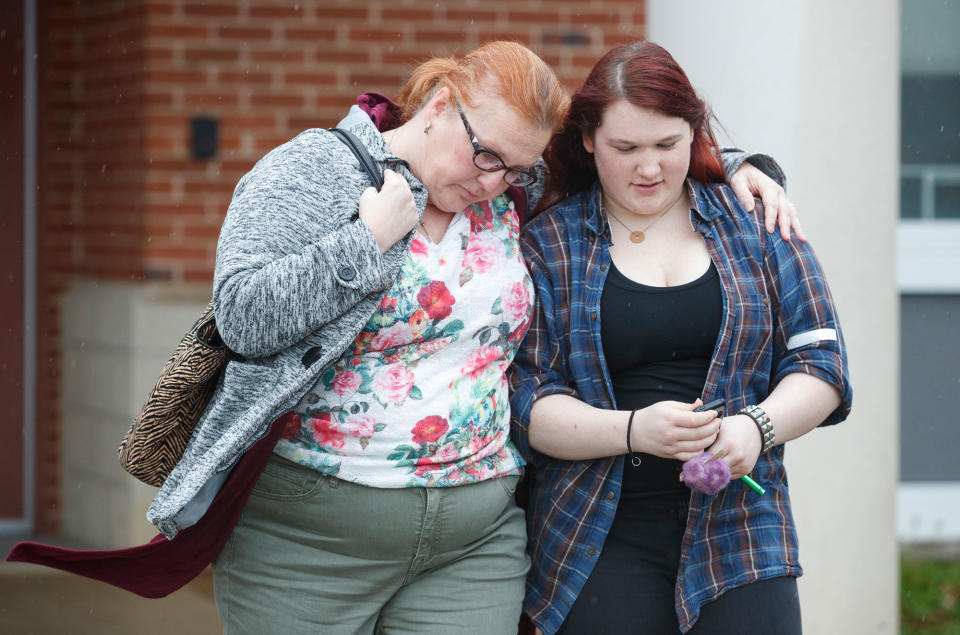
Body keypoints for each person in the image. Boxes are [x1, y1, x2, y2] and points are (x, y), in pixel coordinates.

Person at [5, 41, 798, 634]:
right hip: (307, 543)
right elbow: (243, 318)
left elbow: (632, 158)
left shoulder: (511, 189)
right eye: (482, 152)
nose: (491, 179)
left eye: (511, 167)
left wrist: (735, 166)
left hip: (473, 538)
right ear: (440, 98)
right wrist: (362, 244)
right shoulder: (315, 171)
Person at [508, 41, 852, 635]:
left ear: (694, 134)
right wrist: (634, 429)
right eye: (626, 148)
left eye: (668, 146)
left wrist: (756, 428)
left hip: (743, 529)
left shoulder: (757, 219)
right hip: (593, 531)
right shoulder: (547, 244)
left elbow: (822, 362)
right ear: (588, 140)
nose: (649, 168)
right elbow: (525, 400)